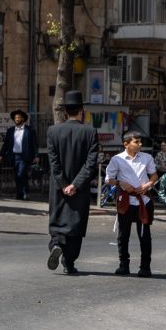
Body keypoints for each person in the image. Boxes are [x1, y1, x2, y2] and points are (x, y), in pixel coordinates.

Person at [46, 91, 100, 275]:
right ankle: (69, 262)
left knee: (58, 220)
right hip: (80, 188)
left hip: (58, 188)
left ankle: (56, 244)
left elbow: (53, 161)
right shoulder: (90, 132)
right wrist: (75, 184)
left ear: (65, 111)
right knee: (76, 225)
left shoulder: (53, 131)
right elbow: (90, 163)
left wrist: (63, 183)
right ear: (81, 110)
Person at [105, 131, 157, 277]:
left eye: (140, 142)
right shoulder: (117, 159)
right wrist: (120, 182)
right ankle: (123, 265)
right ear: (126, 144)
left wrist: (148, 185)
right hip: (126, 201)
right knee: (123, 235)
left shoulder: (147, 157)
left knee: (145, 235)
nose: (140, 144)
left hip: (143, 200)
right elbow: (108, 178)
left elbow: (154, 175)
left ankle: (145, 267)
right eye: (136, 142)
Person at [0, 109, 39, 200]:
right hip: (14, 156)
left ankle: (25, 192)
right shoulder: (10, 130)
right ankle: (20, 193)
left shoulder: (30, 130)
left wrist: (36, 156)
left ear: (23, 119)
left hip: (25, 156)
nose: (17, 119)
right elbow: (6, 144)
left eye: (19, 117)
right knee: (18, 175)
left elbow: (34, 144)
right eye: (15, 118)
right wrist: (1, 155)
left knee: (21, 174)